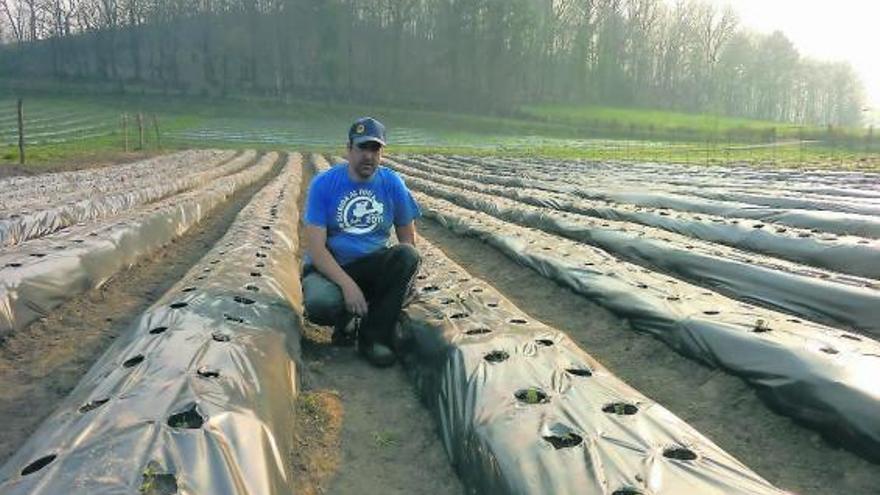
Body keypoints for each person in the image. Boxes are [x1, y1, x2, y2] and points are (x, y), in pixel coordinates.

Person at [301, 117, 421, 367]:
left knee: (407, 256)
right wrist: (347, 286)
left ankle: (372, 338)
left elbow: (407, 238)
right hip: (331, 268)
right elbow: (315, 248)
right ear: (349, 149)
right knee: (321, 302)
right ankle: (345, 319)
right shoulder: (324, 184)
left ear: (381, 152)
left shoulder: (392, 183)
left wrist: (407, 279)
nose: (368, 156)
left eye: (374, 149)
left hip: (371, 264)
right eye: (362, 148)